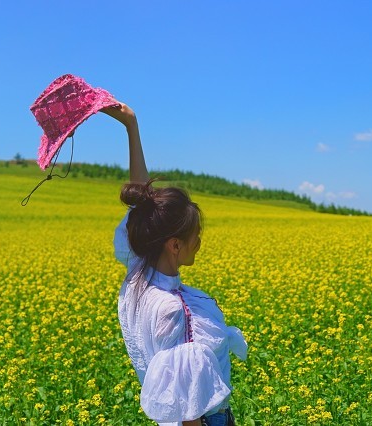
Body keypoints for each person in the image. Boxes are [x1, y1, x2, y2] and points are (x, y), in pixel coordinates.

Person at [102, 102, 248, 426]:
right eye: (196, 235)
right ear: (175, 244)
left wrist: (131, 125)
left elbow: (143, 209)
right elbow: (188, 411)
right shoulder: (172, 311)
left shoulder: (139, 277)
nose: (200, 242)